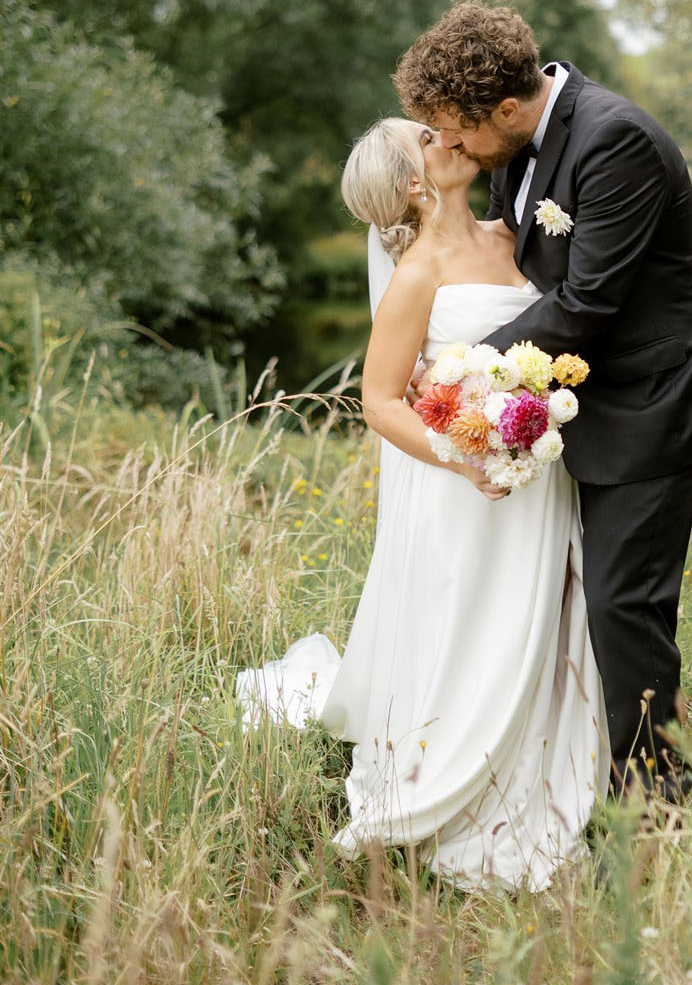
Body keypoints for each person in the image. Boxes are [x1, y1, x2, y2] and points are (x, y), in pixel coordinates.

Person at [236, 117, 609, 893]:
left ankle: (543, 759)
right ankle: (459, 772)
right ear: (415, 181)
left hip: (537, 475)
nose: (448, 130)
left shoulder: (519, 233)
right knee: (471, 621)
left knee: (538, 617)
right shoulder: (417, 273)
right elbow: (378, 400)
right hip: (463, 485)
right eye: (428, 134)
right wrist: (465, 459)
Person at [393, 0, 692, 803]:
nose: (452, 146)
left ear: (508, 108)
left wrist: (460, 370)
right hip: (573, 411)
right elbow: (521, 266)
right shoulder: (518, 146)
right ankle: (570, 780)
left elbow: (584, 302)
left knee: (625, 604)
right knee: (577, 598)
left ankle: (655, 803)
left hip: (651, 409)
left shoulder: (614, 141)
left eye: (459, 132)